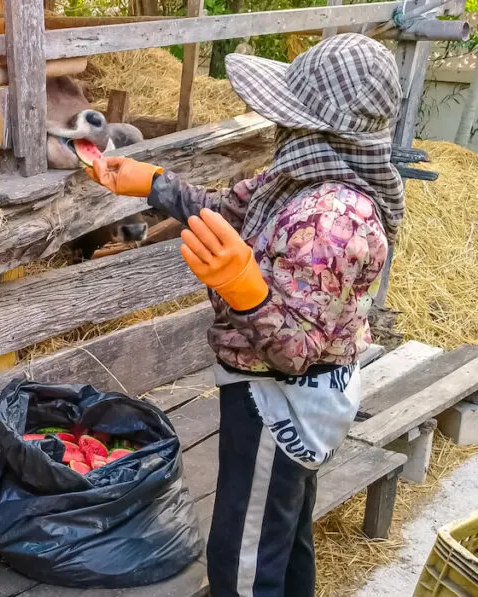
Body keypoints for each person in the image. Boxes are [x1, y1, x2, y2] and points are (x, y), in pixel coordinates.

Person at [85, 33, 405, 597]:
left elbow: (295, 355)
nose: (280, 128)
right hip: (271, 390)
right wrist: (155, 183)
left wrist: (247, 293)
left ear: (316, 129)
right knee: (285, 527)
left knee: (244, 553)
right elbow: (225, 209)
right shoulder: (293, 181)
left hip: (279, 401)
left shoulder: (331, 217)